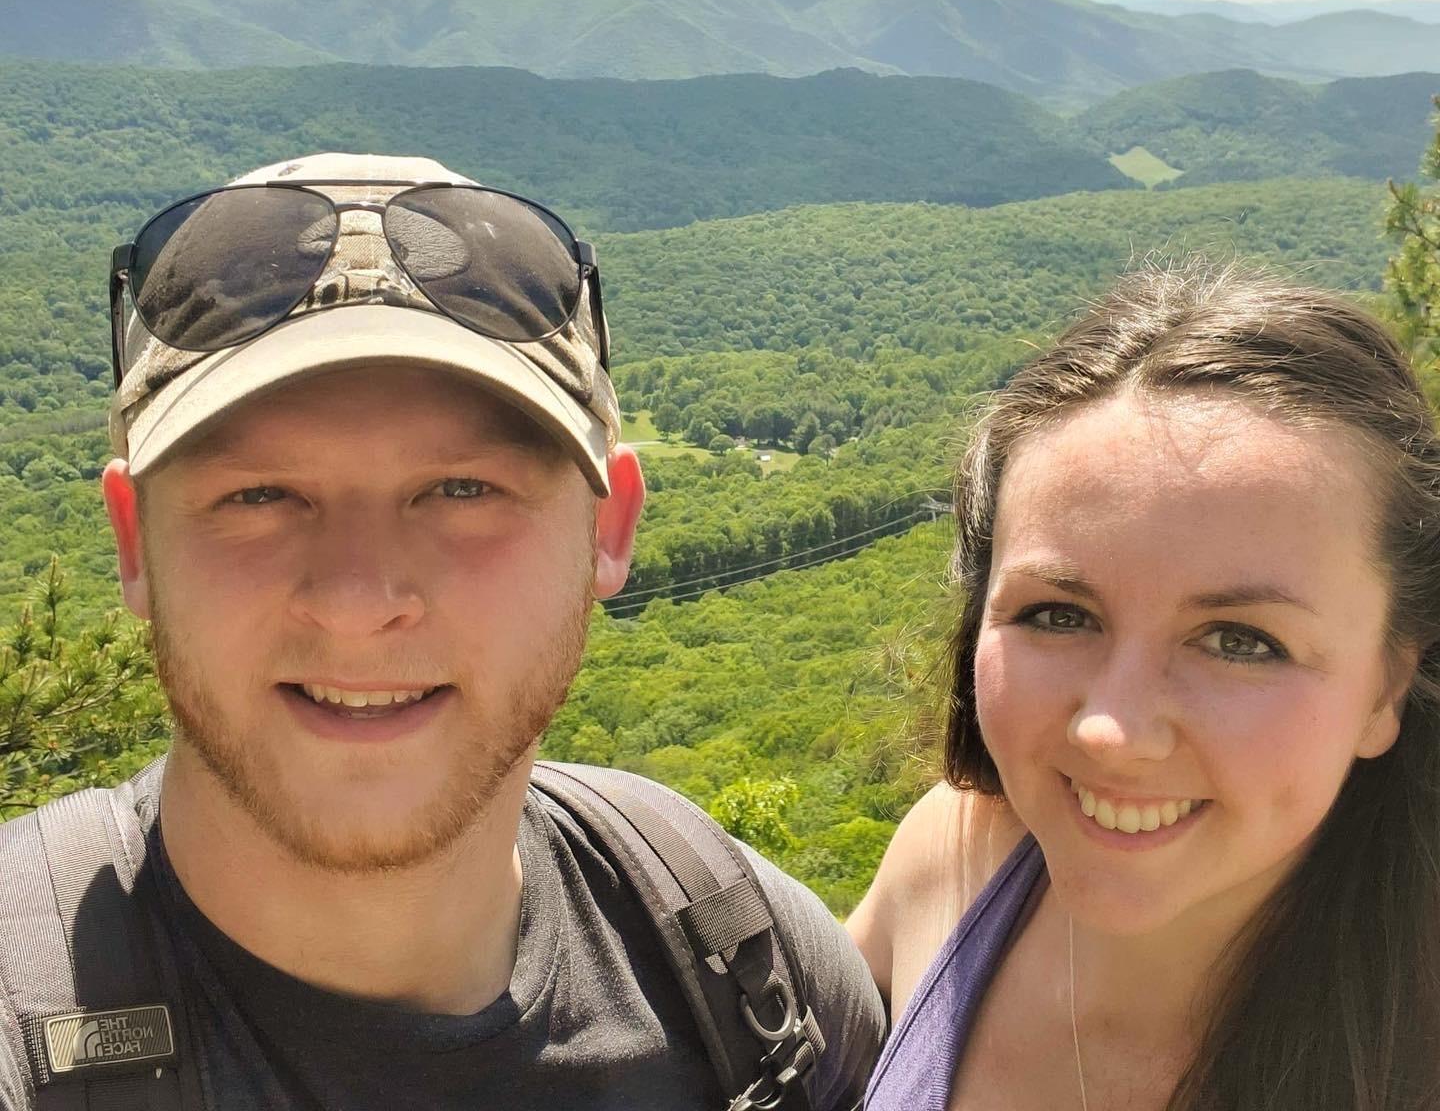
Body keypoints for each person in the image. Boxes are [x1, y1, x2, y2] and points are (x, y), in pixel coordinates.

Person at [0, 152, 884, 1111]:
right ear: (134, 544)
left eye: (462, 489)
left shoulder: (753, 972)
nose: (358, 599)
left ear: (608, 527)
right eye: (258, 494)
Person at [850, 259, 1440, 1111]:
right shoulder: (958, 857)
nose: (1111, 733)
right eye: (1059, 615)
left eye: (1241, 641)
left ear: (1388, 686)